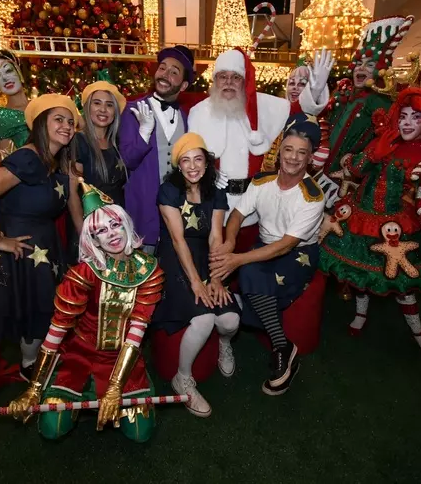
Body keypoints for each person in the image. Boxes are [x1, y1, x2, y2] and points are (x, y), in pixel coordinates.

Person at [318, 87, 421, 359]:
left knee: (403, 286)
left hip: (397, 226)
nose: (407, 122)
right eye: (404, 115)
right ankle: (360, 314)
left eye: (416, 117)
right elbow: (355, 171)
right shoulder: (383, 138)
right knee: (363, 277)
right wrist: (374, 153)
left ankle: (418, 331)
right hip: (360, 218)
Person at [8, 183, 164, 442]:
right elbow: (58, 328)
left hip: (122, 358)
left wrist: (115, 388)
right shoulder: (83, 274)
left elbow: (137, 331)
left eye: (115, 225)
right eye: (101, 231)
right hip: (80, 356)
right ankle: (71, 393)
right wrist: (34, 389)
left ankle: (123, 387)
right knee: (51, 428)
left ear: (125, 224)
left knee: (141, 434)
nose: (111, 234)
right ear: (93, 240)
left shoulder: (150, 271)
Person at [209, 113, 325, 395]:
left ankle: (278, 345)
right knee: (246, 270)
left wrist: (237, 258)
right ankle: (285, 345)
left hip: (298, 253)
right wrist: (230, 241)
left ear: (309, 158)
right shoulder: (262, 182)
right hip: (264, 246)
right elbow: (236, 214)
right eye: (289, 149)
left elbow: (286, 245)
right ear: (280, 150)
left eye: (302, 153)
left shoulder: (313, 195)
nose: (294, 158)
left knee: (247, 272)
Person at [0, 94, 78, 380]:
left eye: (70, 121)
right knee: (32, 308)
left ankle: (40, 358)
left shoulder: (55, 161)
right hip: (22, 250)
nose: (67, 126)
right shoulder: (28, 156)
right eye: (59, 119)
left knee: (43, 305)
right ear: (41, 123)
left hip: (43, 246)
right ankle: (29, 366)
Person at [189, 48, 332, 247]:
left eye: (235, 77)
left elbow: (298, 111)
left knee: (247, 263)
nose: (228, 82)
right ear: (215, 80)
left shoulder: (264, 106)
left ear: (244, 81)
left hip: (253, 209)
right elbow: (189, 156)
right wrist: (208, 172)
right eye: (223, 76)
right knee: (213, 263)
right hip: (212, 207)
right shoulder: (198, 113)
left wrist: (315, 89)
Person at [153, 133, 238, 417]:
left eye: (198, 159)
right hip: (174, 258)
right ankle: (183, 378)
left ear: (206, 162)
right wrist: (195, 283)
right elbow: (178, 241)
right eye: (185, 160)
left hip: (204, 256)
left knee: (230, 320)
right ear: (178, 165)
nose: (192, 166)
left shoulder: (216, 193)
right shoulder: (168, 191)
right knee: (202, 318)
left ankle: (224, 345)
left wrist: (215, 278)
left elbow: (216, 237)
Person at [119, 45, 194, 252]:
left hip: (176, 211)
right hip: (143, 211)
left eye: (174, 72)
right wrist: (144, 133)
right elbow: (127, 160)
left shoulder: (186, 117)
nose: (165, 75)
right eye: (162, 68)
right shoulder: (134, 110)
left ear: (184, 84)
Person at [321, 15, 415, 180]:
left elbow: (384, 142)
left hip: (349, 178)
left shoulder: (380, 102)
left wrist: (354, 165)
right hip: (320, 169)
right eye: (358, 63)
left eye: (370, 65)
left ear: (380, 70)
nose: (361, 68)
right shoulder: (343, 93)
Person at [70, 81, 127, 229]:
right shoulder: (78, 141)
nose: (103, 109)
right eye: (97, 103)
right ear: (87, 108)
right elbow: (72, 193)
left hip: (116, 225)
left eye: (109, 105)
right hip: (91, 226)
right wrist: (83, 232)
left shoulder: (118, 143)